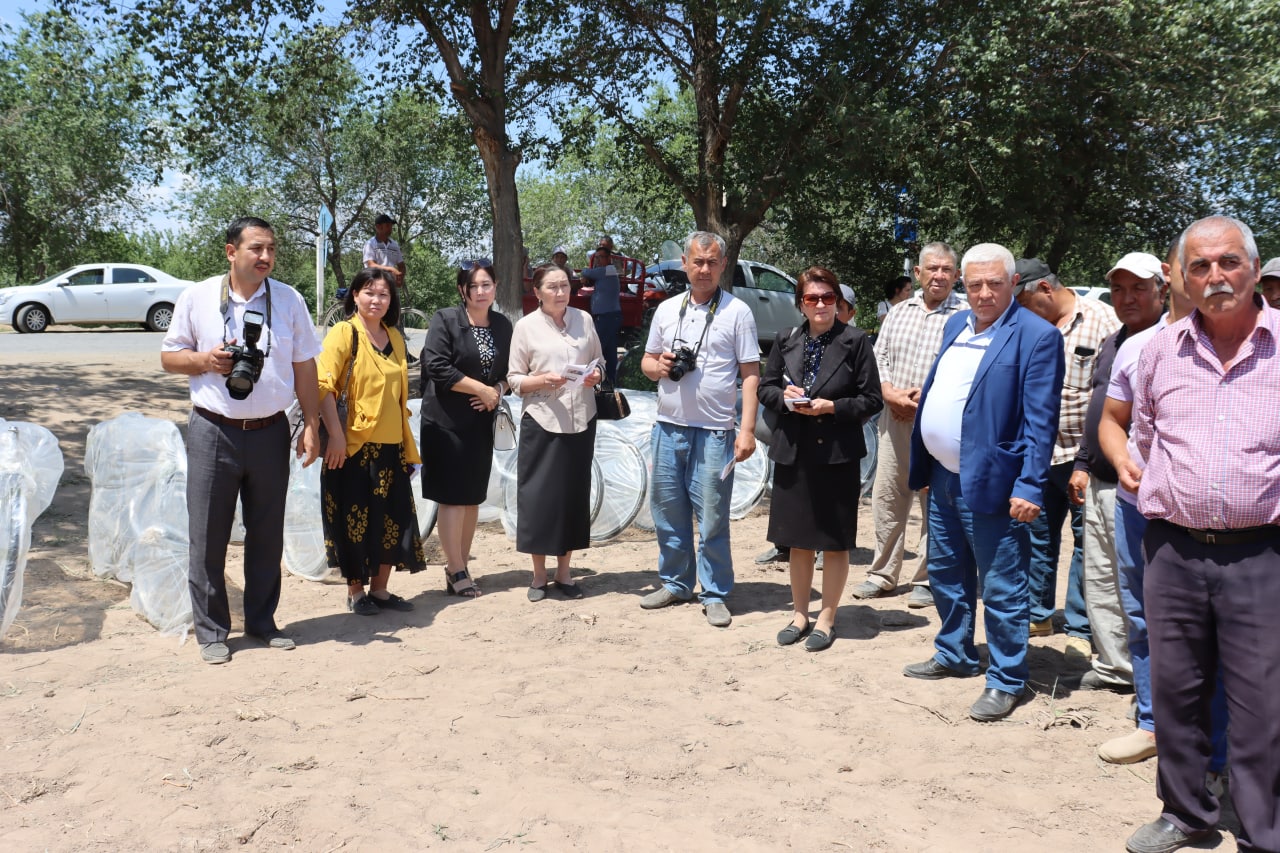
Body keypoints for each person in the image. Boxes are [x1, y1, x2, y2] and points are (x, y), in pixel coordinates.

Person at [1117, 216, 1278, 853]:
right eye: (1201, 266)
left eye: (1229, 262)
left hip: (1261, 554)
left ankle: (1263, 831)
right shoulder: (1160, 350)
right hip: (1173, 550)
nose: (1216, 277)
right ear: (1182, 277)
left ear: (1254, 269)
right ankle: (1185, 813)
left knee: (1262, 704)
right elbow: (1146, 436)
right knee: (1176, 693)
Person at [902, 243, 1064, 722]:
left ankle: (1007, 678)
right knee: (946, 574)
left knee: (1001, 586)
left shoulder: (1037, 336)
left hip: (996, 482)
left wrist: (1030, 485)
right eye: (975, 284)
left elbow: (1041, 423)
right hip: (943, 477)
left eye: (994, 283)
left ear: (1013, 282)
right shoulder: (956, 324)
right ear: (964, 285)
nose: (984, 293)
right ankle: (954, 651)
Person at [161, 216, 322, 664]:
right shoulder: (197, 297)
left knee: (267, 534)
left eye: (271, 249)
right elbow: (169, 357)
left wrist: (311, 424)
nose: (266, 257)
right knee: (208, 535)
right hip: (213, 431)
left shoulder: (288, 299)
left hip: (271, 431)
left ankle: (262, 622)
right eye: (256, 248)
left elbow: (305, 365)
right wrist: (205, 360)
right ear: (231, 252)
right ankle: (212, 631)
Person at [1096, 244, 1231, 771]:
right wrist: (1117, 458)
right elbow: (1113, 419)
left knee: (1215, 628)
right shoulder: (1139, 347)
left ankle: (1216, 745)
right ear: (1172, 273)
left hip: (1216, 519)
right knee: (1142, 615)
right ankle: (1154, 723)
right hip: (1139, 507)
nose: (1207, 277)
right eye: (1194, 265)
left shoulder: (1246, 341)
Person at [639, 230, 760, 628]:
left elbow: (751, 375)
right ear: (685, 264)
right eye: (697, 261)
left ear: (723, 265)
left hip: (714, 432)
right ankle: (676, 583)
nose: (704, 269)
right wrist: (658, 367)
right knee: (667, 513)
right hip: (667, 428)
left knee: (712, 518)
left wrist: (746, 430)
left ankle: (715, 593)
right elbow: (647, 363)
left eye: (711, 262)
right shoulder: (666, 309)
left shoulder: (738, 312)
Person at [759, 267, 882, 651]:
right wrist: (785, 400)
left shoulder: (856, 341)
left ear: (838, 302)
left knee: (833, 541)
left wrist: (832, 407)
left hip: (836, 454)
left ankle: (826, 619)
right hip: (794, 452)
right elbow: (765, 388)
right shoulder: (786, 339)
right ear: (801, 303)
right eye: (812, 298)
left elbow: (871, 399)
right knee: (797, 540)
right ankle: (800, 615)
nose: (821, 305)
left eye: (828, 297)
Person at [1066, 253, 1164, 708]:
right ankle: (1114, 667)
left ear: (1162, 290)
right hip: (1101, 480)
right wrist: (1083, 462)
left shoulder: (1171, 341)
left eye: (1139, 288)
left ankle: (1152, 681)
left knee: (1143, 587)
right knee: (1102, 579)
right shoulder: (1113, 342)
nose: (1128, 298)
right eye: (1120, 289)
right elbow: (1101, 410)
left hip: (1142, 487)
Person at [1014, 258, 1119, 660]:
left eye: (1024, 302)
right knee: (1037, 535)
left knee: (1086, 542)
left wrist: (1088, 461)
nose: (1020, 311)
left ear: (1044, 289)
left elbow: (1111, 395)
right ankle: (1038, 614)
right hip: (1038, 453)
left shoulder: (1102, 321)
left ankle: (1079, 627)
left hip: (1083, 455)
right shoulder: (1026, 326)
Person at [853, 242, 965, 608]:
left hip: (940, 423)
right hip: (894, 419)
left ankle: (928, 580)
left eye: (946, 269)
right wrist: (889, 393)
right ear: (918, 273)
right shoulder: (899, 312)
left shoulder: (966, 315)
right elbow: (879, 358)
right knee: (888, 496)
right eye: (932, 268)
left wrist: (923, 402)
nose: (939, 275)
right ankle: (882, 574)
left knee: (936, 501)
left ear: (957, 275)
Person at [317, 267, 426, 616]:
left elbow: (400, 395)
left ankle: (380, 590)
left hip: (392, 445)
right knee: (354, 522)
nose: (376, 300)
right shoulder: (343, 333)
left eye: (383, 294)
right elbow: (323, 387)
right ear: (355, 295)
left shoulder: (394, 337)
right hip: (352, 447)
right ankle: (356, 592)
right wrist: (336, 437)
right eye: (369, 292)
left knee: (391, 520)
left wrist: (407, 446)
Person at [507, 264, 604, 601]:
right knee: (539, 499)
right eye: (552, 286)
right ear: (537, 292)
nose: (561, 292)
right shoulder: (525, 327)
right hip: (542, 420)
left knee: (572, 496)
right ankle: (538, 576)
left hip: (582, 419)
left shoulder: (584, 320)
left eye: (565, 285)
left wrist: (596, 375)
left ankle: (564, 572)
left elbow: (600, 361)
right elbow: (514, 379)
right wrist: (541, 380)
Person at [419, 259, 513, 599]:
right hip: (445, 422)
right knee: (452, 498)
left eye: (486, 284)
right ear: (462, 290)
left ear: (495, 287)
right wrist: (480, 389)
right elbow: (437, 366)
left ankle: (459, 567)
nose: (480, 291)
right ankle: (456, 567)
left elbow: (512, 371)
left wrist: (496, 390)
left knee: (472, 497)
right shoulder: (446, 319)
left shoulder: (502, 325)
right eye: (473, 286)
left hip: (480, 422)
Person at [363, 214, 416, 365]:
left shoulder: (394, 245)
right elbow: (371, 264)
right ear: (378, 227)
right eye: (387, 225)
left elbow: (401, 265)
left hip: (391, 286)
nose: (390, 228)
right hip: (375, 284)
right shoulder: (370, 244)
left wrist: (400, 277)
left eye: (391, 225)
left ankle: (400, 354)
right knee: (376, 317)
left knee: (395, 318)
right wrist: (389, 269)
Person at [582, 237, 623, 386]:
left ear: (609, 258)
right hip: (610, 316)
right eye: (596, 257)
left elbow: (586, 272)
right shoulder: (606, 271)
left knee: (595, 347)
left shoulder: (608, 270)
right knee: (610, 351)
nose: (598, 260)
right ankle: (610, 381)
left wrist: (585, 275)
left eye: (601, 257)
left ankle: (586, 379)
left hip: (607, 317)